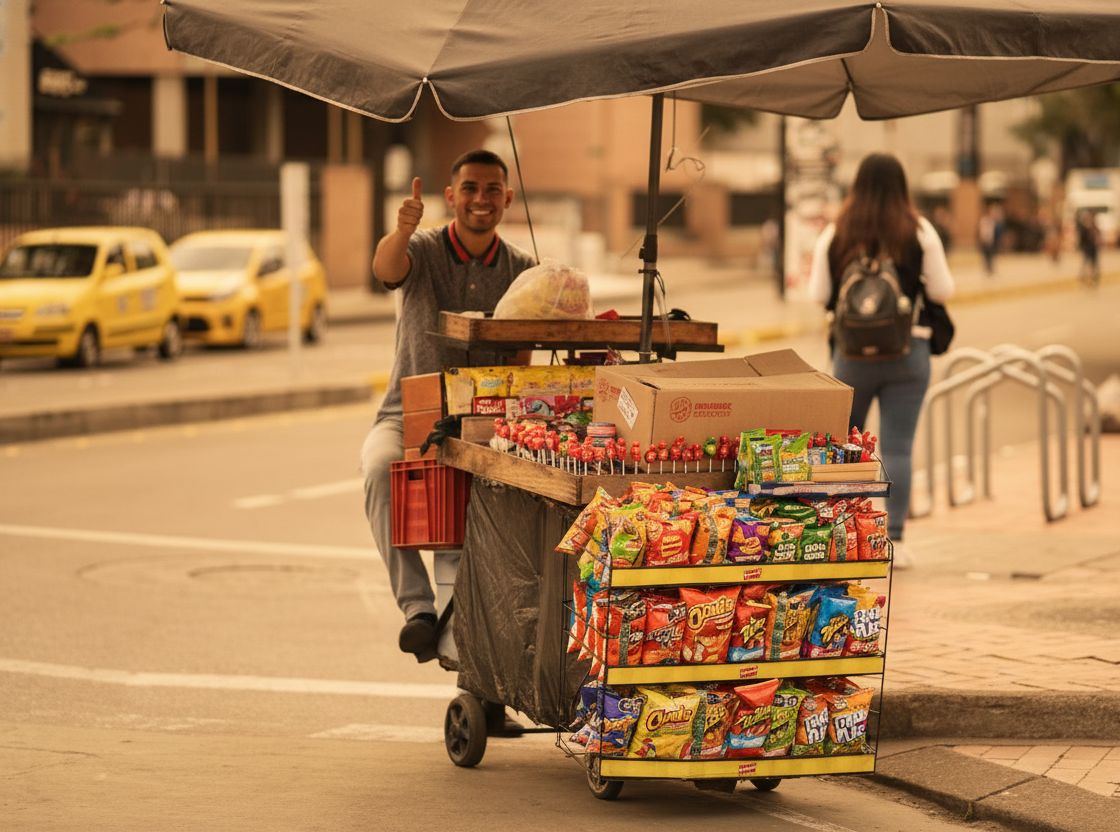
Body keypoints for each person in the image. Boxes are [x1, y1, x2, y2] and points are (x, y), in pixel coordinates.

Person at [359, 150, 536, 661]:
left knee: (488, 518)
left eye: (492, 189)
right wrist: (401, 230)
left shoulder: (523, 269)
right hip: (408, 414)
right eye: (470, 188)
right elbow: (386, 267)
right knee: (377, 468)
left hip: (488, 426)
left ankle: (471, 644)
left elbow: (523, 359)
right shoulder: (421, 247)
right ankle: (418, 609)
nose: (481, 199)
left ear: (508, 197)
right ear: (451, 196)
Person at [808, 153, 955, 569]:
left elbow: (818, 295)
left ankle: (842, 537)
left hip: (851, 357)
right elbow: (942, 290)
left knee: (845, 450)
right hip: (908, 352)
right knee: (898, 448)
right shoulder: (918, 230)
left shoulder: (837, 231)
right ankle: (896, 541)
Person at [1076, 209, 1101, 286]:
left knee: (1094, 265)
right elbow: (1082, 240)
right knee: (1086, 264)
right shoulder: (1084, 228)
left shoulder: (1094, 227)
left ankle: (1093, 279)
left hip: (1094, 249)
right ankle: (1084, 279)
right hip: (1087, 249)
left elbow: (1098, 237)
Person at [977, 203, 1003, 276]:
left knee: (991, 255)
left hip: (991, 240)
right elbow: (982, 231)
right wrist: (983, 239)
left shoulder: (993, 221)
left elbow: (995, 231)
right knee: (986, 255)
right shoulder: (984, 220)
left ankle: (990, 268)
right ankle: (987, 268)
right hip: (985, 240)